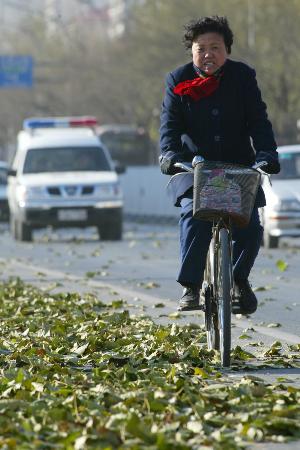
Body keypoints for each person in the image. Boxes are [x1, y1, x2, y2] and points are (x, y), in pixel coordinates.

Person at [159, 16, 280, 314]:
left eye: (216, 47)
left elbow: (258, 121)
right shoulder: (177, 79)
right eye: (202, 48)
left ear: (227, 49)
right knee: (194, 217)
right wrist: (169, 156)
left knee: (250, 227)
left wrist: (267, 153)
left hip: (237, 170)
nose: (208, 54)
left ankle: (239, 280)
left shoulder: (243, 77)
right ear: (192, 51)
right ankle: (191, 286)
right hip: (194, 169)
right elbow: (169, 128)